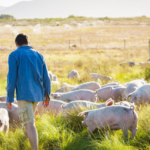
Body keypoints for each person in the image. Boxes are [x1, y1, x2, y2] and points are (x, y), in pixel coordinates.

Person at [6, 33, 51, 150]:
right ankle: (25, 144)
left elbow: (11, 78)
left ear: (16, 44)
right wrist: (47, 95)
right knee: (28, 122)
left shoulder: (14, 55)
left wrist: (9, 98)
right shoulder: (39, 55)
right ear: (28, 43)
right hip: (37, 95)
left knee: (30, 124)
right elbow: (46, 77)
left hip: (24, 95)